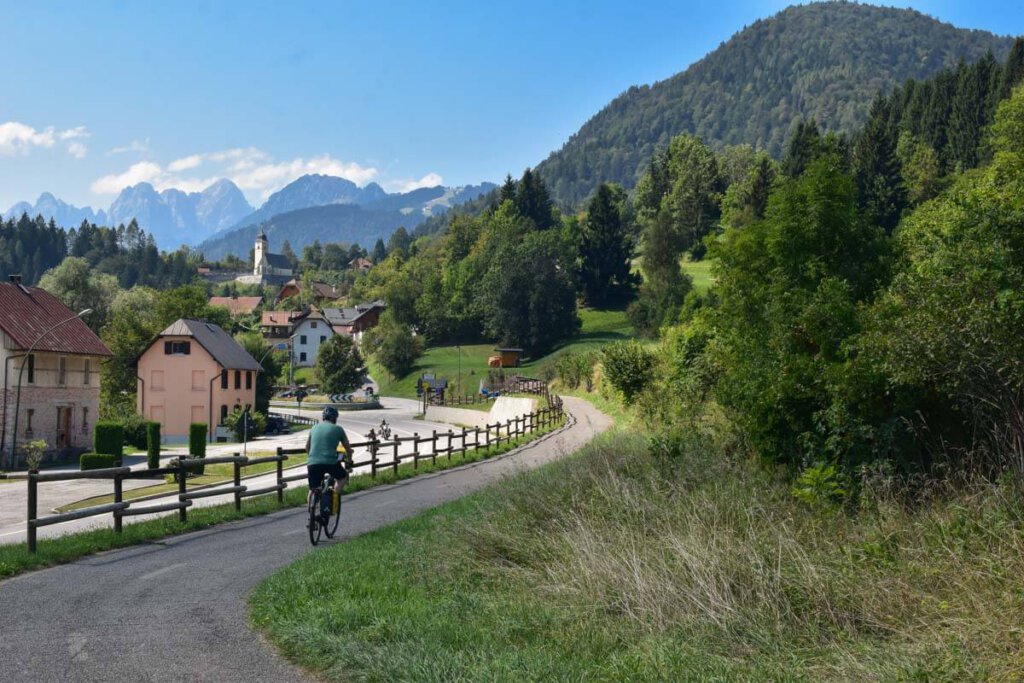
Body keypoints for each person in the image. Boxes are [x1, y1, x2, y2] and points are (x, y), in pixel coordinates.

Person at [306, 406, 353, 508]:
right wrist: (349, 460)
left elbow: (307, 447)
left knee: (313, 489)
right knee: (343, 477)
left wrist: (311, 458)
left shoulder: (314, 427)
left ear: (323, 417)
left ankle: (311, 515)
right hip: (330, 462)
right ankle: (333, 498)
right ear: (335, 418)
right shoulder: (338, 429)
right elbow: (348, 449)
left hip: (312, 462)